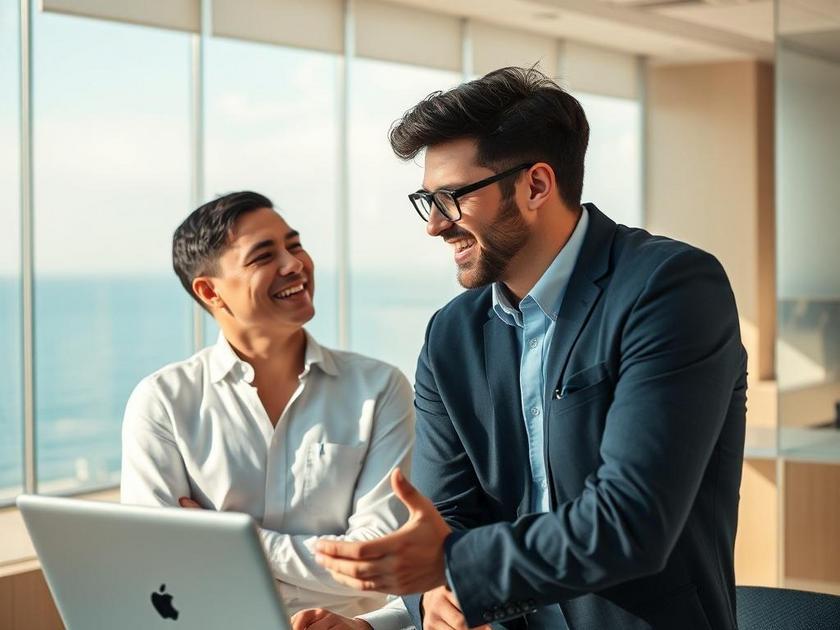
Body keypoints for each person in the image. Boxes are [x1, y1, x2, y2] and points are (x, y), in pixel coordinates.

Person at [313, 67, 748, 630]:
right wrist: (436, 598)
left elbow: (632, 521)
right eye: (428, 200)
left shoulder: (670, 288)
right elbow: (443, 517)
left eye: (451, 198)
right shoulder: (451, 335)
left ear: (536, 186)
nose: (435, 226)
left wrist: (454, 567)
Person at [120, 191, 415, 628]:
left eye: (295, 245)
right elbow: (163, 566)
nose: (294, 264)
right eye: (264, 255)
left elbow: (375, 561)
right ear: (210, 291)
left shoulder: (380, 389)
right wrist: (319, 563)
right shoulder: (163, 402)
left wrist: (231, 540)